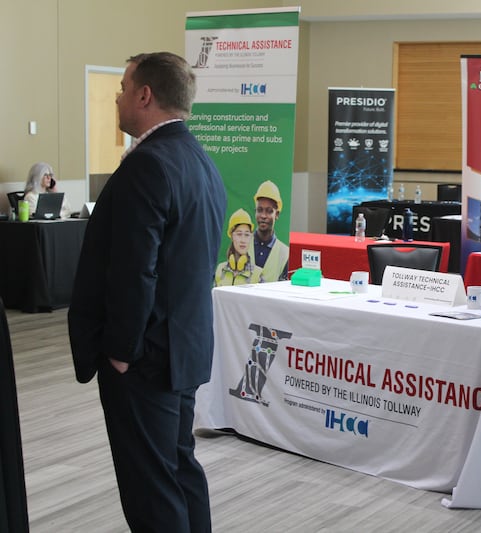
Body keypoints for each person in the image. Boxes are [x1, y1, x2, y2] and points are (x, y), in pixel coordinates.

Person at [67, 52, 226, 532]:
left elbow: (136, 271)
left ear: (145, 95)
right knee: (178, 471)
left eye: (122, 86)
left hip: (145, 359)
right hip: (181, 350)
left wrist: (118, 351)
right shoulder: (199, 159)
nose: (116, 96)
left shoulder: (149, 165)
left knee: (151, 490)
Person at [252, 180, 289, 281]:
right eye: (260, 210)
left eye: (269, 211)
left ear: (277, 214)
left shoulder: (285, 254)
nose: (263, 216)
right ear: (255, 212)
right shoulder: (242, 245)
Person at [216, 209, 263, 286]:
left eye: (247, 235)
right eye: (239, 234)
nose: (243, 240)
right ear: (231, 236)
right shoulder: (220, 270)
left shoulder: (257, 274)